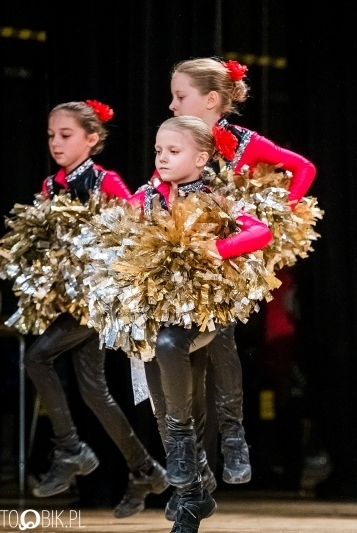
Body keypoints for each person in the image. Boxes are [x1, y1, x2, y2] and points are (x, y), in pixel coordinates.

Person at [164, 56, 316, 491]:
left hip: (226, 266)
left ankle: (232, 439)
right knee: (183, 368)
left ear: (212, 100)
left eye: (180, 96)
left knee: (223, 340)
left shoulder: (244, 143)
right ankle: (196, 469)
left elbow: (303, 168)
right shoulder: (173, 140)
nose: (172, 105)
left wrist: (282, 216)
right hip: (183, 268)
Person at [23, 100, 168, 517]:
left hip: (99, 298)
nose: (56, 143)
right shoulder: (51, 186)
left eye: (65, 136)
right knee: (94, 391)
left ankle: (71, 449)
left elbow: (136, 224)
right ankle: (145, 470)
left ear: (91, 139)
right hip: (72, 297)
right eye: (51, 136)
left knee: (38, 357)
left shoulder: (106, 181)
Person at [131, 115, 273, 533]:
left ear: (202, 157)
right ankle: (193, 498)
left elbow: (259, 232)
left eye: (173, 152)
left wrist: (217, 248)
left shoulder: (214, 199)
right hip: (153, 317)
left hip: (200, 316)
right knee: (164, 400)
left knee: (170, 346)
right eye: (159, 151)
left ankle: (206, 448)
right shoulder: (147, 198)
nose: (163, 158)